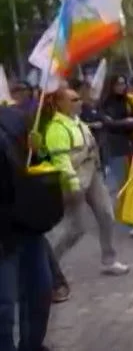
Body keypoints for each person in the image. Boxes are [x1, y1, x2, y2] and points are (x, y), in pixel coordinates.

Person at [41, 86, 130, 278]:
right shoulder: (56, 128)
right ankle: (49, 265)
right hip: (75, 179)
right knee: (76, 229)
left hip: (92, 174)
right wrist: (73, 184)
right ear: (60, 104)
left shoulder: (77, 121)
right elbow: (61, 160)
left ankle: (109, 259)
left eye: (78, 99)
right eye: (73, 100)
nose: (79, 102)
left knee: (107, 214)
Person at [0, 104, 53, 351]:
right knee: (4, 307)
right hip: (3, 235)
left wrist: (38, 149)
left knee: (40, 293)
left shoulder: (14, 117)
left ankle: (31, 346)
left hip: (27, 224)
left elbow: (38, 163)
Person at [100, 75, 133, 200]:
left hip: (132, 145)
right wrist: (126, 122)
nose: (121, 87)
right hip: (116, 148)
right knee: (122, 182)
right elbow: (108, 123)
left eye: (123, 83)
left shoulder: (128, 101)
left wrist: (130, 123)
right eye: (118, 84)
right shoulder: (106, 103)